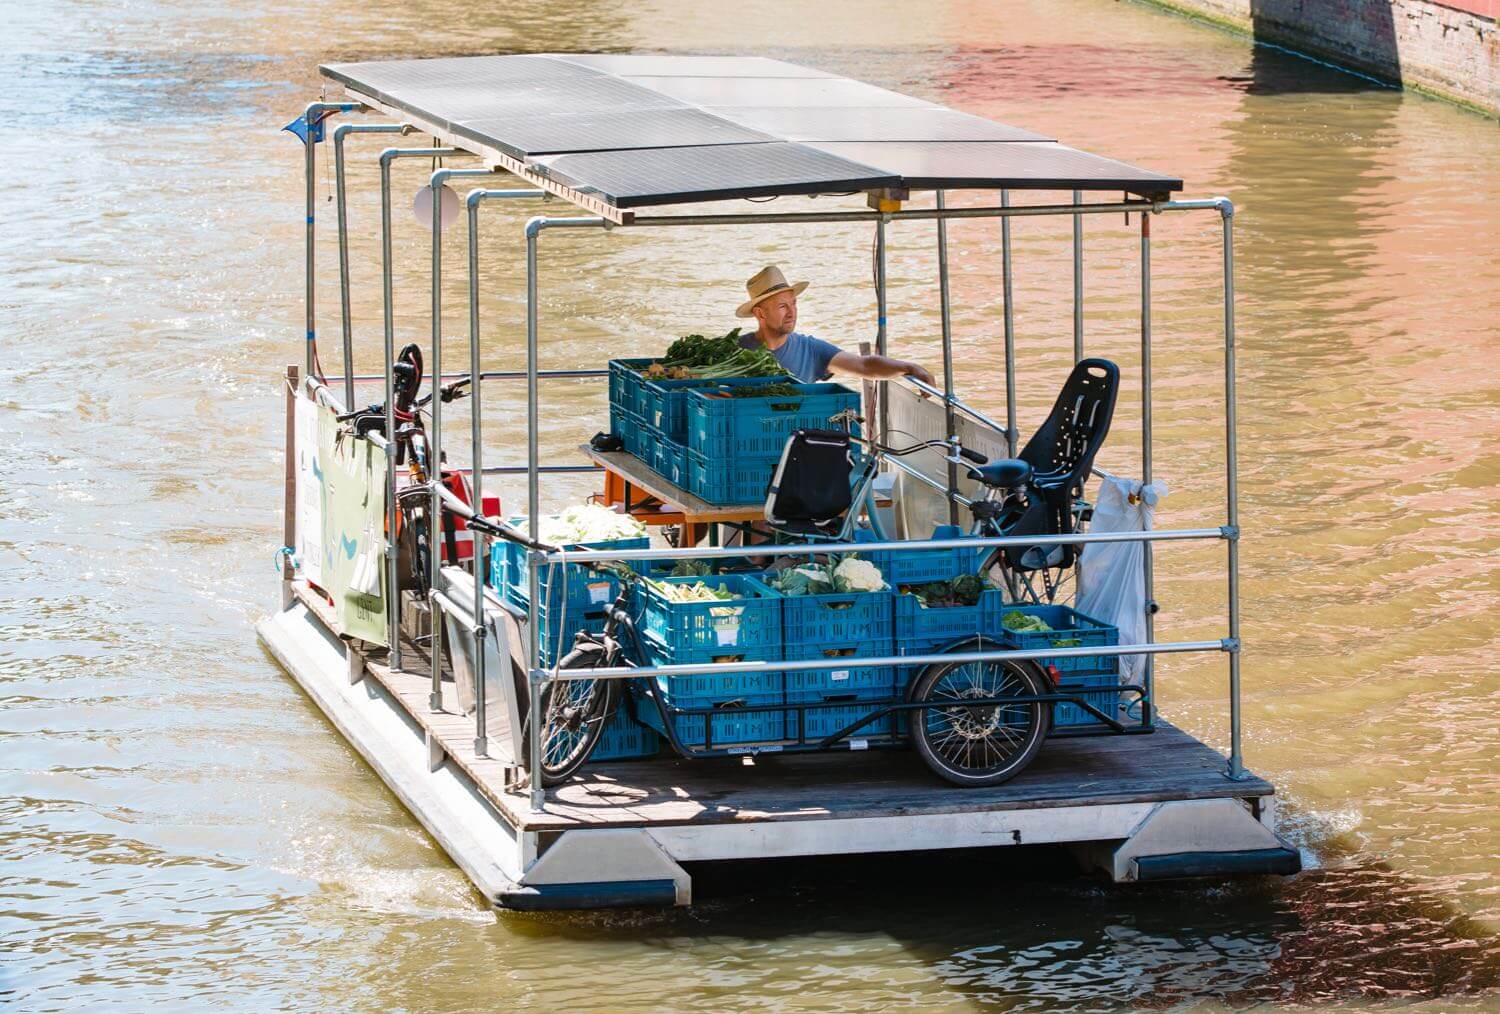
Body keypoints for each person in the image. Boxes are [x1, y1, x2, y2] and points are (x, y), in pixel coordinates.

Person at [736, 265, 934, 387]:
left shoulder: (811, 349)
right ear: (760, 313)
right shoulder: (733, 352)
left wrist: (909, 367)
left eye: (794, 303)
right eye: (782, 306)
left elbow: (864, 365)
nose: (791, 312)